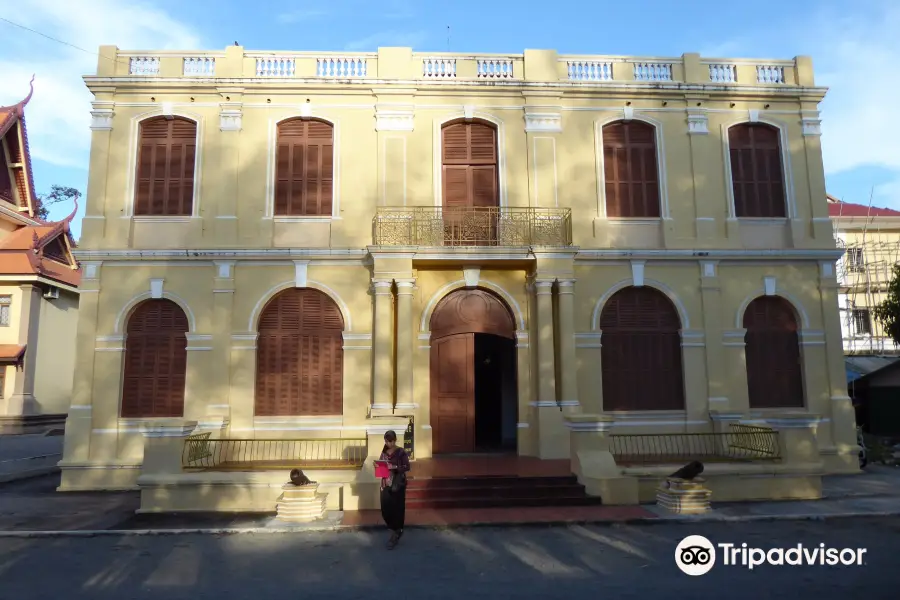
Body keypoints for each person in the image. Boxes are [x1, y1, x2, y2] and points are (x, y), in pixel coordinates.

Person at [378, 430, 410, 549]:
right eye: (386, 441)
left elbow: (407, 466)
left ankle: (396, 532)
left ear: (395, 440)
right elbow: (382, 464)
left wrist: (394, 467)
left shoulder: (400, 452)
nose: (388, 444)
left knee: (397, 508)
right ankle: (393, 528)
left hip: (397, 484)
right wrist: (378, 466)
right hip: (386, 482)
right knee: (385, 507)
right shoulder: (384, 450)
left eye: (390, 441)